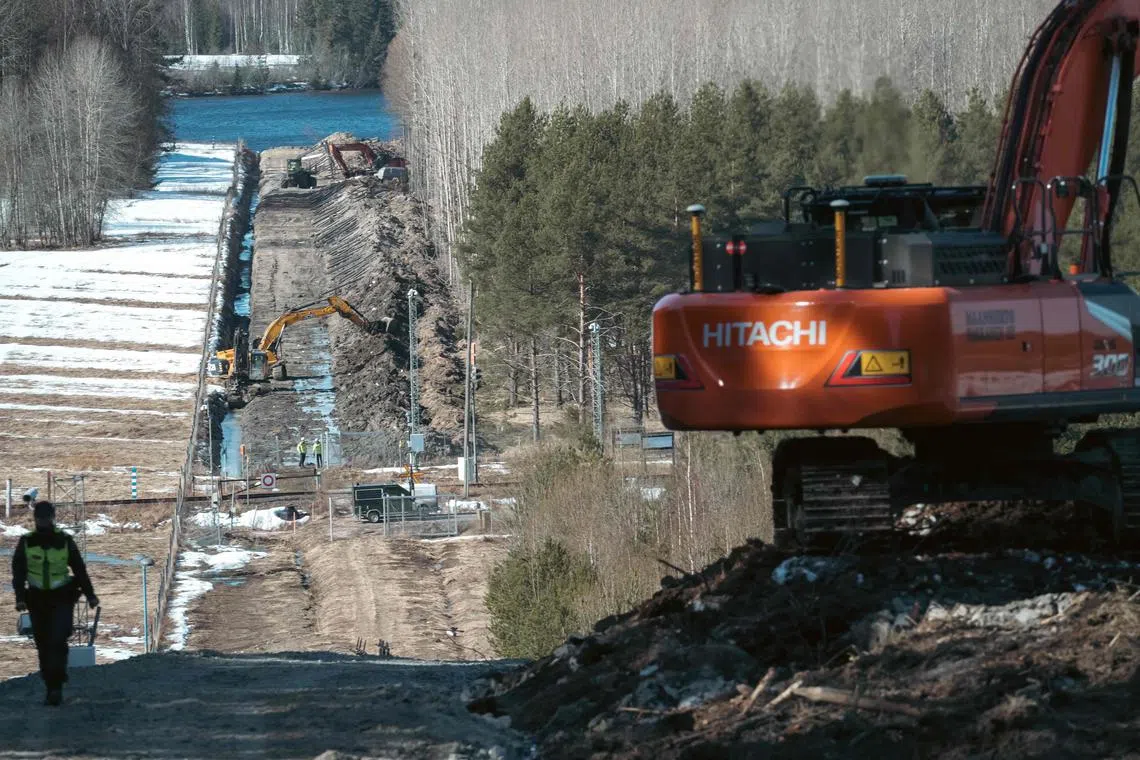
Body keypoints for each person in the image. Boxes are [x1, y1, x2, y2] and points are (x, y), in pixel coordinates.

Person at [10, 501, 99, 706]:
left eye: (46, 517)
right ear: (35, 520)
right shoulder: (26, 542)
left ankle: (57, 683)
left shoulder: (65, 541)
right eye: (39, 518)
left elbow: (79, 569)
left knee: (58, 639)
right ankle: (50, 684)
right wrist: (20, 598)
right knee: (43, 643)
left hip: (62, 597)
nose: (43, 521)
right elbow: (18, 572)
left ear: (52, 517)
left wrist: (90, 595)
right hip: (36, 599)